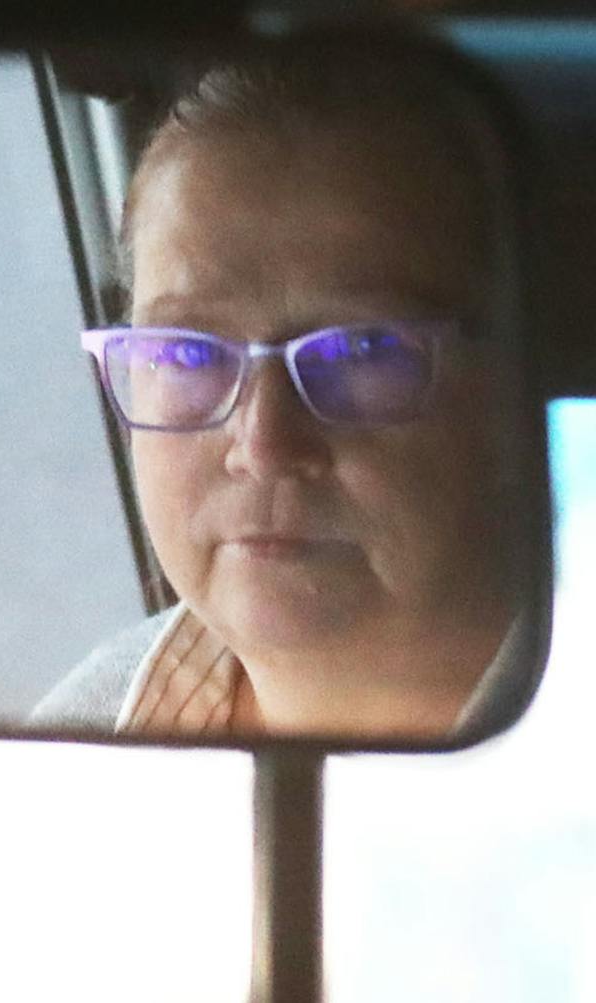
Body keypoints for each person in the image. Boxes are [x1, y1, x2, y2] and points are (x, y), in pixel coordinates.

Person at [33, 39, 539, 741]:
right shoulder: (77, 739)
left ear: (516, 390)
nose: (265, 443)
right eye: (186, 351)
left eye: (363, 348)